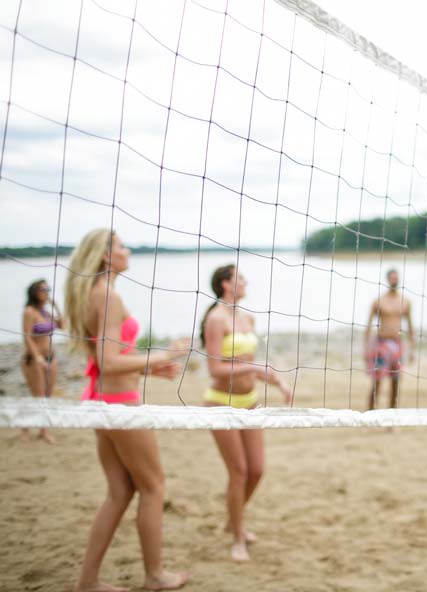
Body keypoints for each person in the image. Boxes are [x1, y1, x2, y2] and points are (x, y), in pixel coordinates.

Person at [65, 228, 189, 592]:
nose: (127, 249)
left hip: (100, 401)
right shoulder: (107, 295)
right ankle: (154, 576)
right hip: (119, 406)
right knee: (153, 487)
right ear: (105, 256)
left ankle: (87, 581)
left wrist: (149, 367)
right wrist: (161, 355)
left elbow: (111, 359)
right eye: (121, 245)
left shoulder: (94, 293)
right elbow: (108, 361)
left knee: (119, 492)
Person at [200, 264, 292, 562]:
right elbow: (215, 367)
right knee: (238, 472)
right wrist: (253, 368)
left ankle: (233, 518)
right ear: (226, 284)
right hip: (220, 403)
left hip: (249, 401)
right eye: (240, 277)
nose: (245, 281)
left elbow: (252, 362)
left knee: (257, 470)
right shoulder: (215, 318)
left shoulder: (247, 316)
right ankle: (238, 536)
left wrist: (278, 381)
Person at [363, 268, 415, 410]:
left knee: (396, 382)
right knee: (377, 382)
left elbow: (410, 326)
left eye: (396, 278)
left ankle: (392, 415)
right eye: (392, 278)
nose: (394, 280)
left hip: (398, 345)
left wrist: (412, 350)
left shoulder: (405, 302)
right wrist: (365, 349)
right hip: (381, 344)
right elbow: (367, 327)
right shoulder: (379, 301)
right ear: (387, 280)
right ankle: (371, 413)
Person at [20, 279, 63, 443]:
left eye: (48, 289)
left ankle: (42, 431)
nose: (46, 292)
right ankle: (25, 426)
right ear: (34, 292)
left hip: (51, 357)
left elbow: (62, 325)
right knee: (38, 396)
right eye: (43, 289)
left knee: (47, 396)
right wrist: (37, 357)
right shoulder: (29, 312)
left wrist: (56, 306)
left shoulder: (45, 312)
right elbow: (27, 336)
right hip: (33, 359)